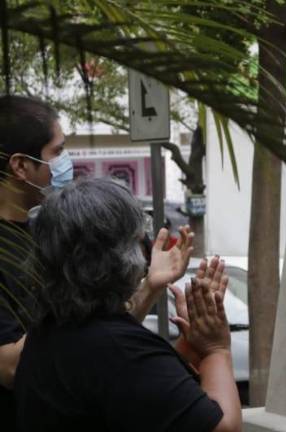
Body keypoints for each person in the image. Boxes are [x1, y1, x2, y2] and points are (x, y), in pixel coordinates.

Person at [0, 95, 193, 431]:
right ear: (20, 166)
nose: (66, 162)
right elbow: (12, 368)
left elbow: (92, 331)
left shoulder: (53, 228)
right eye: (57, 152)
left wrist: (150, 285)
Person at [14, 178, 241, 431]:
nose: (145, 250)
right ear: (119, 255)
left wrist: (192, 341)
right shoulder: (115, 349)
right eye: (138, 239)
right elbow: (222, 427)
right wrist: (215, 348)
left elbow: (141, 386)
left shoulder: (49, 331)